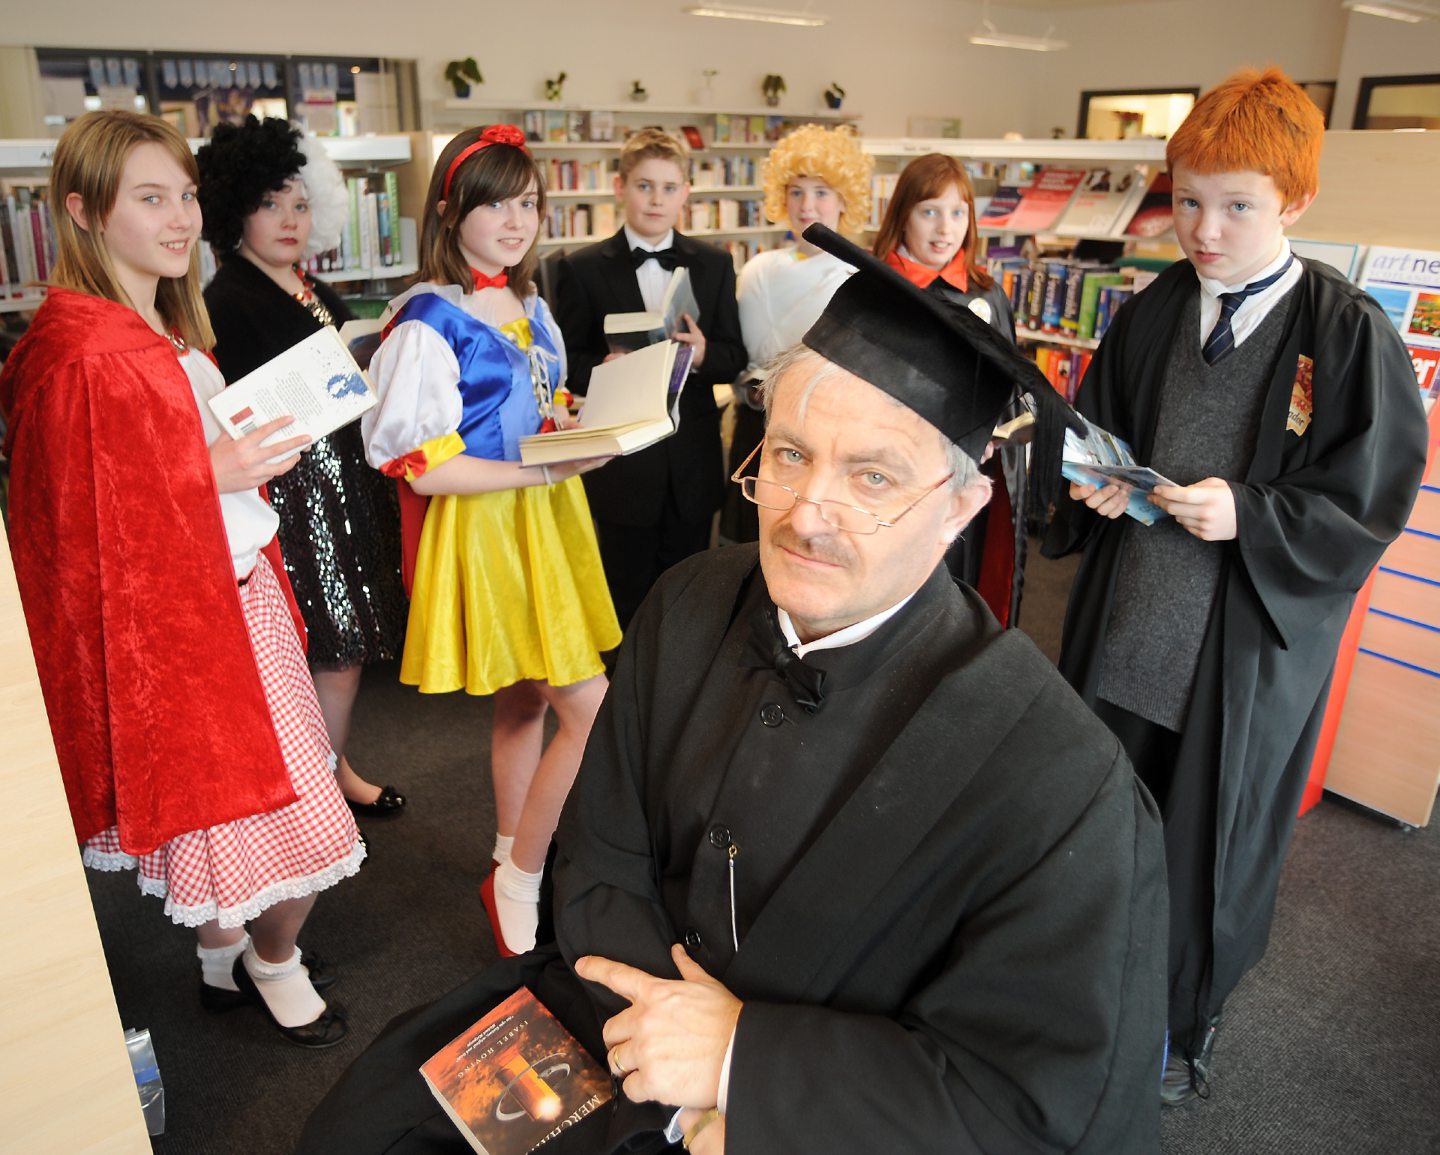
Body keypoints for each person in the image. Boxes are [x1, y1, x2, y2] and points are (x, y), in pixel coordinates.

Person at [296, 224, 1168, 1155]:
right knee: (364, 1127)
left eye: (872, 476)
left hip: (824, 1120)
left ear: (962, 505)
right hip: (607, 1019)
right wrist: (659, 1047)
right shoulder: (690, 598)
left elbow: (1032, 1102)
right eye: (789, 454)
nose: (807, 514)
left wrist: (745, 1067)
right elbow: (601, 853)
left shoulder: (1060, 783)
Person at [1043, 67, 1429, 1105]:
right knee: (1098, 821)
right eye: (1189, 201)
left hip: (1238, 656)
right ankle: (1078, 998)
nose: (1205, 231)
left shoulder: (1345, 333)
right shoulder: (1153, 307)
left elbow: (1367, 499)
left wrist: (1249, 513)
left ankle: (1176, 1027)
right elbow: (1100, 430)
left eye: (1239, 206)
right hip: (1130, 624)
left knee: (1206, 846)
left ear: (1295, 202)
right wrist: (1104, 486)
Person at [0, 110, 363, 1048]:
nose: (180, 219)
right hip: (195, 625)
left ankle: (220, 959)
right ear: (83, 213)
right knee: (292, 821)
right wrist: (213, 472)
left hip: (237, 601)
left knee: (238, 819)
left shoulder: (151, 327)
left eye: (187, 196)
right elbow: (79, 523)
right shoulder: (86, 351)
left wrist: (226, 465)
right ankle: (271, 960)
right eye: (151, 199)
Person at [361, 125, 620, 957]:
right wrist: (544, 471)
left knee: (524, 698)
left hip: (545, 518)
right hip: (490, 526)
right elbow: (421, 466)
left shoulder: (532, 304)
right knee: (593, 711)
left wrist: (584, 423)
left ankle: (514, 845)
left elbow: (537, 407)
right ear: (451, 209)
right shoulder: (426, 320)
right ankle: (519, 876)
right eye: (497, 202)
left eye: (530, 202)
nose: (517, 220)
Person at [198, 115, 410, 820]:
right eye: (267, 203)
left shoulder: (316, 290)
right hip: (290, 498)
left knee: (341, 651)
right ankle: (316, 795)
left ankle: (333, 767)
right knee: (327, 652)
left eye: (299, 202)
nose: (288, 219)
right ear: (234, 212)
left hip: (342, 484)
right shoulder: (224, 300)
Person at [550, 128, 746, 630]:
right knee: (624, 597)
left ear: (685, 192)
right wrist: (601, 372)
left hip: (693, 458)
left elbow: (734, 356)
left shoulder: (716, 263)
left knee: (691, 596)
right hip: (622, 461)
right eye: (643, 185)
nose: (656, 199)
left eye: (667, 187)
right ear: (619, 188)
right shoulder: (582, 268)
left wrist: (703, 353)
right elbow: (566, 360)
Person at [873, 152, 1027, 626]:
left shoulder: (987, 292)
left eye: (958, 212)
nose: (945, 228)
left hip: (972, 476)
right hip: (901, 474)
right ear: (902, 216)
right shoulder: (876, 289)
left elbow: (1013, 381)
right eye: (929, 211)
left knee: (967, 586)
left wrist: (999, 433)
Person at [720, 122, 872, 544]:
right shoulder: (756, 271)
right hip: (754, 432)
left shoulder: (860, 279)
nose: (807, 205)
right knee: (742, 554)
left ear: (845, 201)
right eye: (796, 191)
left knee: (801, 545)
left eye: (821, 192)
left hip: (820, 442)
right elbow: (741, 358)